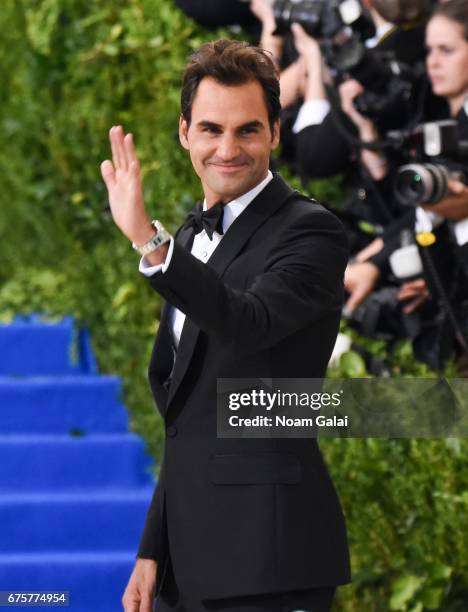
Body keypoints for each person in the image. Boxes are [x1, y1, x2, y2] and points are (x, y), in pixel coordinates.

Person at [101, 39, 350, 612]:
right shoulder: (188, 240)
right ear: (185, 132)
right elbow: (186, 419)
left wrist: (150, 243)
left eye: (247, 130)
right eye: (212, 129)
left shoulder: (310, 232)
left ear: (276, 133)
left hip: (270, 558)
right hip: (186, 564)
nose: (228, 149)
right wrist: (152, 549)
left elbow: (250, 322)